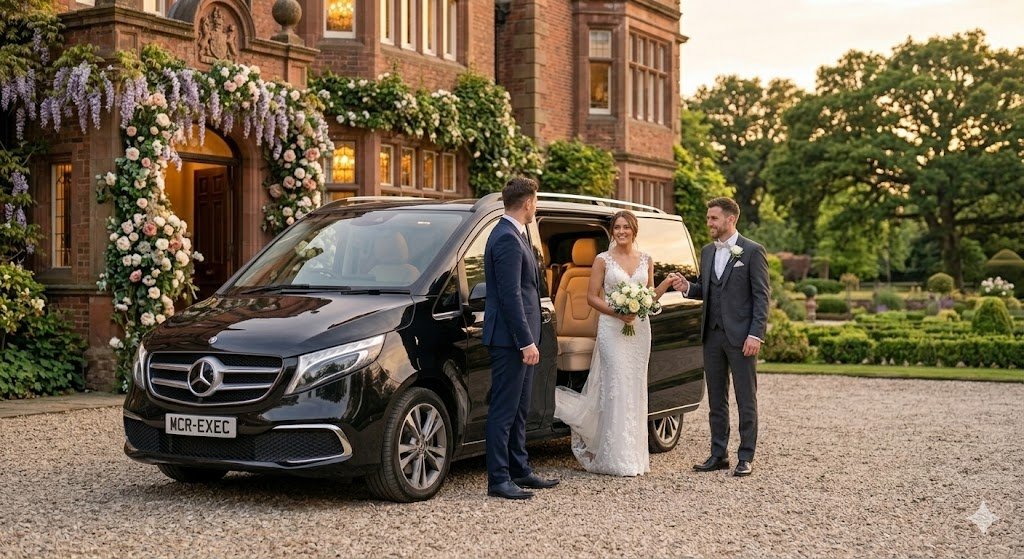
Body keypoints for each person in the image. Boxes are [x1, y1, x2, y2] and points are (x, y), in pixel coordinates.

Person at [554, 211, 675, 476]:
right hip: (611, 329)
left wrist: (665, 285)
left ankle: (633, 456)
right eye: (617, 227)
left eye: (626, 227)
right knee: (617, 385)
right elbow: (591, 297)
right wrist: (616, 312)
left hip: (639, 330)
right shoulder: (602, 260)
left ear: (634, 230)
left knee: (634, 388)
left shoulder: (646, 260)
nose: (621, 232)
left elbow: (650, 298)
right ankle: (613, 457)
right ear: (612, 231)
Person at [672, 197, 770, 477]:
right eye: (708, 218)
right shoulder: (707, 252)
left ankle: (746, 456)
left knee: (745, 397)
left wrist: (755, 334)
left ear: (731, 219)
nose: (709, 223)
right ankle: (718, 454)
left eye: (714, 218)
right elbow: (707, 288)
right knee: (716, 398)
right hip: (711, 336)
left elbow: (762, 297)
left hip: (742, 338)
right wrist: (687, 287)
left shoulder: (752, 251)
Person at [482, 177, 559, 500]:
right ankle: (498, 479)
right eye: (536, 201)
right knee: (504, 410)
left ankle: (520, 469)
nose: (535, 206)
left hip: (520, 337)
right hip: (510, 340)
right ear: (527, 203)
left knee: (519, 410)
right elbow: (511, 295)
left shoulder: (516, 234)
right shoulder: (505, 239)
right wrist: (525, 341)